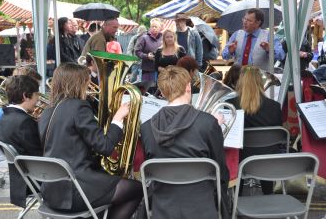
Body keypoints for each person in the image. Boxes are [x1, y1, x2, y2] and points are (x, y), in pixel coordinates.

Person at [38, 63, 142, 218]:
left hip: (51, 193)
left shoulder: (47, 111)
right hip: (76, 191)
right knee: (136, 189)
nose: (88, 86)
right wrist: (118, 119)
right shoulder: (78, 107)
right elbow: (105, 146)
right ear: (78, 83)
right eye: (86, 82)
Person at [141, 65, 230, 219]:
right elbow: (221, 171)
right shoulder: (208, 123)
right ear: (188, 87)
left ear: (161, 92)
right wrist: (214, 127)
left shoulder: (146, 128)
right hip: (203, 206)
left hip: (163, 206)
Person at [226, 66, 282, 195]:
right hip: (268, 162)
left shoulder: (230, 105)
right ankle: (269, 195)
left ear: (240, 82)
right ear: (260, 83)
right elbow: (279, 139)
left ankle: (236, 200)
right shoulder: (274, 107)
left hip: (240, 161)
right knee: (266, 151)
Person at [0, 75, 43, 208]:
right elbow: (40, 154)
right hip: (35, 180)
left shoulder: (4, 118)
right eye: (36, 95)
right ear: (25, 96)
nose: (38, 99)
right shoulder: (24, 122)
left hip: (21, 180)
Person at [135, 18, 162, 83]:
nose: (154, 28)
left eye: (156, 27)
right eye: (152, 26)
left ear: (160, 28)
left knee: (159, 90)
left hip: (161, 69)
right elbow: (137, 51)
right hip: (147, 69)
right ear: (150, 27)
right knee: (147, 89)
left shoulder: (163, 38)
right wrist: (147, 56)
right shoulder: (144, 38)